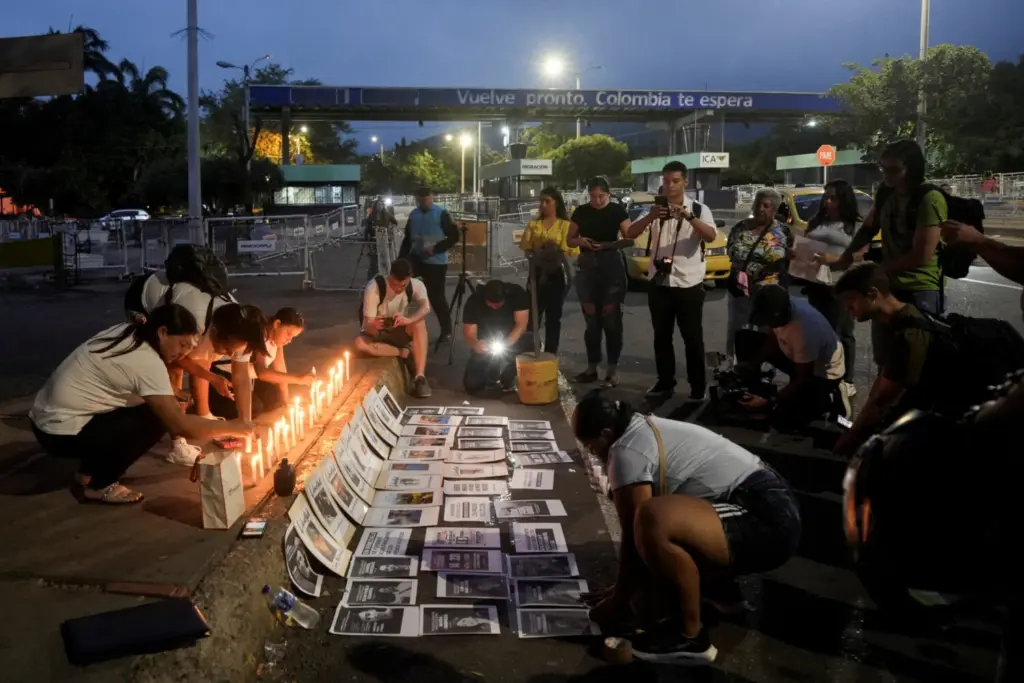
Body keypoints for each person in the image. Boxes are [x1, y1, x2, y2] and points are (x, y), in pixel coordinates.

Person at [573, 391, 801, 664]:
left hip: (766, 518)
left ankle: (690, 637)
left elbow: (636, 537)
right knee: (664, 517)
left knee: (652, 518)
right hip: (769, 501)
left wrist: (617, 600)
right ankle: (723, 594)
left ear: (607, 432)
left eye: (590, 445)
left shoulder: (626, 452)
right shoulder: (639, 426)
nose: (592, 453)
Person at [29, 304, 254, 504]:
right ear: (163, 332)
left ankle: (87, 473)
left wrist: (171, 394)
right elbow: (181, 427)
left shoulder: (129, 332)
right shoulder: (147, 361)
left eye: (189, 346)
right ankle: (100, 485)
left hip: (46, 420)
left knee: (154, 409)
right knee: (157, 419)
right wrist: (238, 427)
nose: (184, 353)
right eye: (182, 344)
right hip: (59, 434)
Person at [830, 262, 1024, 455]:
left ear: (872, 294)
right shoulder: (906, 315)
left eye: (851, 300)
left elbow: (884, 401)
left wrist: (850, 440)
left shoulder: (907, 335)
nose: (847, 308)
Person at [832, 140, 947, 366]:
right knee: (885, 358)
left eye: (894, 170)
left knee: (916, 360)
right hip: (888, 286)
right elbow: (868, 228)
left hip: (919, 289)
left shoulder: (929, 198)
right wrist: (847, 254)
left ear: (912, 169)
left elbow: (921, 255)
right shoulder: (886, 192)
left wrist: (877, 270)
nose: (886, 175)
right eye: (883, 168)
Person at [625, 162, 717, 401]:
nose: (670, 185)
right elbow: (631, 233)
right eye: (666, 181)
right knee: (661, 337)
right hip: (660, 282)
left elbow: (710, 235)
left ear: (685, 182)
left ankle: (698, 387)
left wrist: (688, 216)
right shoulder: (655, 208)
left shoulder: (698, 208)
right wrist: (652, 216)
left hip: (688, 283)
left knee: (692, 338)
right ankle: (665, 382)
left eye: (675, 181)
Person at [568, 177, 652, 387]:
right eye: (593, 197)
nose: (596, 201)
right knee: (591, 319)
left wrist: (608, 245)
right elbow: (570, 239)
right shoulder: (581, 212)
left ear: (609, 193)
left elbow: (629, 237)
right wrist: (581, 241)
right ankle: (591, 367)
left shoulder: (617, 211)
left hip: (611, 265)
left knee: (611, 318)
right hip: (587, 265)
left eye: (601, 196)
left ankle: (612, 370)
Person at [738, 285, 849, 430]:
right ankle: (755, 391)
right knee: (744, 338)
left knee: (783, 422)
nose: (767, 325)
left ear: (778, 316)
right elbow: (773, 337)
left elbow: (802, 378)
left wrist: (771, 401)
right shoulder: (782, 305)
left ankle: (828, 399)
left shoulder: (805, 331)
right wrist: (753, 363)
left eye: (768, 321)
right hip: (798, 357)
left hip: (821, 374)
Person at [804, 179, 862, 397]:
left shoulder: (855, 225)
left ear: (844, 200)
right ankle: (822, 374)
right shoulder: (817, 221)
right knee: (819, 331)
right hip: (816, 283)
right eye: (826, 197)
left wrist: (835, 258)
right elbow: (806, 245)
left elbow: (862, 255)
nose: (828, 201)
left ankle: (847, 379)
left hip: (842, 285)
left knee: (843, 332)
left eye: (833, 198)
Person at [208, 307, 315, 420]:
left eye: (293, 337)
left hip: (251, 378)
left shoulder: (277, 342)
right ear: (277, 324)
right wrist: (299, 379)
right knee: (254, 408)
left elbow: (280, 368)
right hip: (226, 376)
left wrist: (285, 401)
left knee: (274, 398)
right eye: (288, 334)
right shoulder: (260, 334)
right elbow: (262, 372)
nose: (289, 340)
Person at [725, 188, 794, 360]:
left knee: (767, 329)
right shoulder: (740, 228)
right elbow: (732, 251)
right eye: (758, 204)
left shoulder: (783, 232)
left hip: (770, 290)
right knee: (738, 326)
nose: (761, 209)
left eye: (766, 206)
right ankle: (735, 363)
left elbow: (790, 258)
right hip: (743, 287)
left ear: (775, 209)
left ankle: (764, 366)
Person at [353, 258, 433, 398]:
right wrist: (374, 325)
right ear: (390, 276)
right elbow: (368, 325)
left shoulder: (415, 285)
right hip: (379, 330)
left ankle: (420, 377)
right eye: (395, 285)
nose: (398, 289)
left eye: (403, 286)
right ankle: (402, 352)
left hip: (399, 327)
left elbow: (426, 308)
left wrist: (409, 319)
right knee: (359, 344)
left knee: (419, 323)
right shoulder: (375, 288)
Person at [519, 187, 578, 355]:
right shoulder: (534, 225)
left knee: (553, 318)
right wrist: (539, 255)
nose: (543, 205)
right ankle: (531, 351)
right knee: (532, 317)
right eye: (541, 201)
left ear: (556, 203)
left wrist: (554, 253)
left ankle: (551, 354)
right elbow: (527, 249)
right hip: (536, 273)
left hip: (557, 274)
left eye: (547, 201)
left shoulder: (566, 226)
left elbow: (570, 251)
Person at [398, 186, 460, 343]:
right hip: (416, 258)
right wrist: (401, 260)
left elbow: (454, 236)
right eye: (420, 200)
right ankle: (404, 327)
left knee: (436, 297)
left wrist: (436, 249)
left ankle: (446, 331)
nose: (423, 203)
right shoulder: (414, 214)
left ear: (432, 197)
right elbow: (407, 239)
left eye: (426, 200)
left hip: (436, 262)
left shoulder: (441, 214)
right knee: (402, 288)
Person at [462, 279, 530, 394]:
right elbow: (469, 334)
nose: (495, 308)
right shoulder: (474, 301)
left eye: (498, 306)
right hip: (486, 344)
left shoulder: (517, 294)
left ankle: (510, 373)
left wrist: (507, 343)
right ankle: (491, 374)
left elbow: (521, 325)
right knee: (472, 384)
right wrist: (476, 344)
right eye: (491, 305)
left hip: (512, 339)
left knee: (530, 340)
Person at [364, 197, 397, 282]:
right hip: (374, 241)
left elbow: (395, 222)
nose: (380, 206)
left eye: (381, 204)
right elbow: (367, 226)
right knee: (374, 260)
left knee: (385, 258)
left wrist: (390, 229)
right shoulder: (372, 215)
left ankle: (386, 277)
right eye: (378, 204)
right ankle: (372, 278)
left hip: (385, 240)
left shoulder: (386, 214)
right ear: (375, 206)